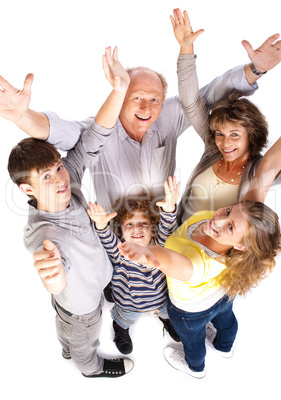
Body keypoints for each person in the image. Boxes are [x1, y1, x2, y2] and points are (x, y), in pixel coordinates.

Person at [1, 10, 277, 213]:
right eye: (137, 98)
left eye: (155, 99)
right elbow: (57, 131)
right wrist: (21, 116)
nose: (147, 107)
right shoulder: (98, 130)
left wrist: (255, 70)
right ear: (120, 98)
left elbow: (207, 95)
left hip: (168, 233)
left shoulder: (167, 115)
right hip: (115, 240)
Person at [7, 47, 134, 378]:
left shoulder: (70, 181)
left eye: (59, 167)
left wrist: (119, 89)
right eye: (46, 177)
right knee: (82, 342)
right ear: (28, 189)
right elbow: (52, 268)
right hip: (83, 309)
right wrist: (54, 278)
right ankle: (89, 368)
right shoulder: (44, 234)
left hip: (94, 284)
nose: (61, 179)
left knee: (66, 329)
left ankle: (66, 342)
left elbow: (94, 137)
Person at [118, 128, 281, 378]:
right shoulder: (247, 221)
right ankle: (224, 347)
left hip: (190, 313)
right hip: (223, 294)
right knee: (226, 321)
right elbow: (270, 163)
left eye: (229, 227)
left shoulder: (198, 264)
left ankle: (196, 367)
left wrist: (144, 252)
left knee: (192, 341)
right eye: (228, 212)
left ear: (240, 246)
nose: (218, 220)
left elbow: (167, 259)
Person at [171, 8, 281, 224]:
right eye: (220, 133)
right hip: (176, 245)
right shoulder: (213, 149)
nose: (224, 142)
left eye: (234, 134)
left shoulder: (259, 171)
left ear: (252, 134)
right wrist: (186, 48)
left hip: (212, 257)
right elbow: (191, 101)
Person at [87, 176, 181, 354]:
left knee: (168, 312)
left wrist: (169, 209)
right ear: (121, 230)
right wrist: (101, 225)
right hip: (129, 304)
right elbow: (106, 238)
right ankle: (120, 328)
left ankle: (167, 321)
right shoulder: (121, 249)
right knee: (124, 319)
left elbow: (167, 228)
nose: (137, 228)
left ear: (152, 227)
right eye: (129, 224)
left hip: (161, 301)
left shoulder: (158, 244)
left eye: (143, 223)